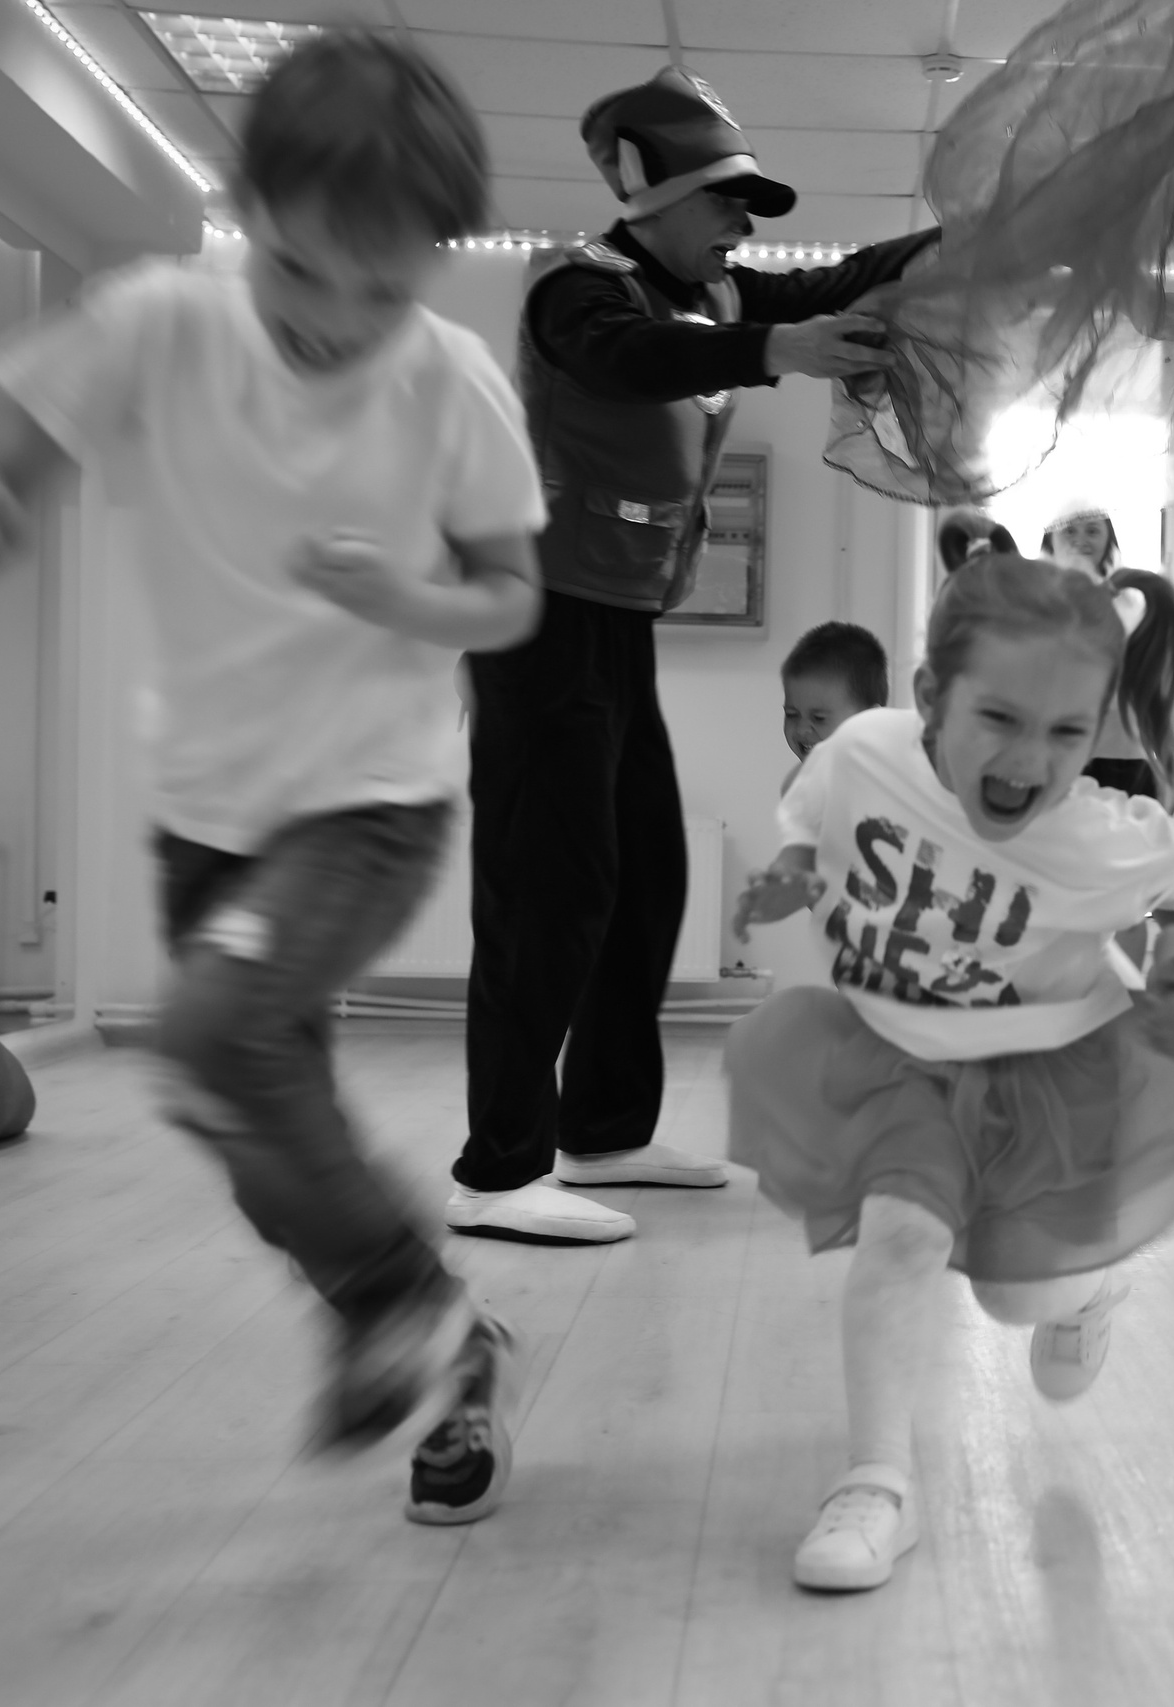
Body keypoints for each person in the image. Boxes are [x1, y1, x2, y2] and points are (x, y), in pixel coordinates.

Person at [0, 34, 539, 1502]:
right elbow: (26, 442)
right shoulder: (157, 321)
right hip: (209, 815)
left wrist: (407, 598)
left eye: (382, 291)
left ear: (437, 264)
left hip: (369, 804)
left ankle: (402, 1303)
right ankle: (448, 1350)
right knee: (265, 1138)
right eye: (299, 271)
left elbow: (512, 599)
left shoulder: (449, 382)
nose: (335, 320)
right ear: (241, 208)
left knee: (207, 1037)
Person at [454, 66, 943, 1244]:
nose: (742, 226)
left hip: (613, 625)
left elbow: (833, 282)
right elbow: (628, 360)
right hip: (538, 621)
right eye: (726, 201)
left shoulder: (716, 294)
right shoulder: (576, 287)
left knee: (643, 879)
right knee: (547, 890)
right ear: (655, 196)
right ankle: (497, 1172)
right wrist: (778, 349)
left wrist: (964, 237)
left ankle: (604, 1130)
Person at [723, 554, 1174, 1592]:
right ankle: (876, 1483)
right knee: (901, 1237)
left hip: (1037, 1073)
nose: (1029, 759)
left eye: (1067, 732)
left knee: (1011, 1296)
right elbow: (809, 814)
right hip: (897, 1057)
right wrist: (791, 875)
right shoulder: (863, 750)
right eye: (998, 718)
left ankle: (1087, 1288)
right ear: (928, 697)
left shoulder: (1096, 839)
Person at [1043, 498, 1164, 800]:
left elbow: (1147, 680)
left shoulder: (1130, 599)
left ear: (1109, 537)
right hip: (1055, 750)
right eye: (1069, 530)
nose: (1081, 539)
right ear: (1049, 537)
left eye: (1092, 530)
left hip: (1122, 748)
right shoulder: (1033, 598)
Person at [781, 620, 889, 771]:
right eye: (791, 714)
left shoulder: (882, 780)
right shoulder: (801, 779)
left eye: (819, 718)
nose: (801, 729)